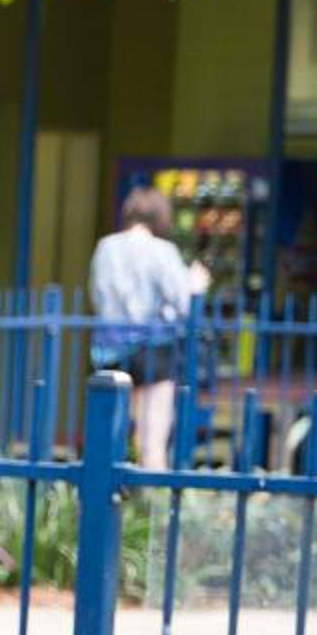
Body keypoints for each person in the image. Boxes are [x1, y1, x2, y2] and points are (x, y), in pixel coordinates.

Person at [90, 187, 208, 468]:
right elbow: (182, 304)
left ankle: (110, 505)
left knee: (113, 435)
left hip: (110, 348)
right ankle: (153, 507)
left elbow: (97, 295)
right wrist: (196, 285)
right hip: (154, 349)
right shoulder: (162, 251)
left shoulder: (105, 247)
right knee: (152, 438)